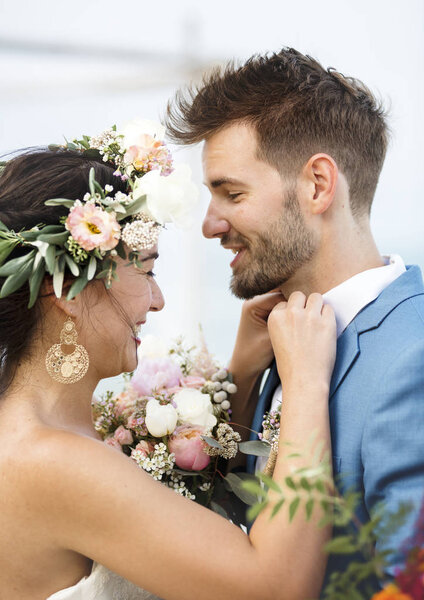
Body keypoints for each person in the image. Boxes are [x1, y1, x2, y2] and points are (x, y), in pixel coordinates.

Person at [0, 125, 337, 600]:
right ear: (67, 290)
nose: (156, 300)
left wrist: (240, 374)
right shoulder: (52, 460)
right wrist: (305, 382)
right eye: (147, 268)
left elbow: (178, 526)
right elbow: (275, 587)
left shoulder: (47, 435)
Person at [165, 47, 424, 590]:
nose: (211, 225)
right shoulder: (283, 338)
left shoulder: (413, 355)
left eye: (231, 193)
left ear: (317, 186)